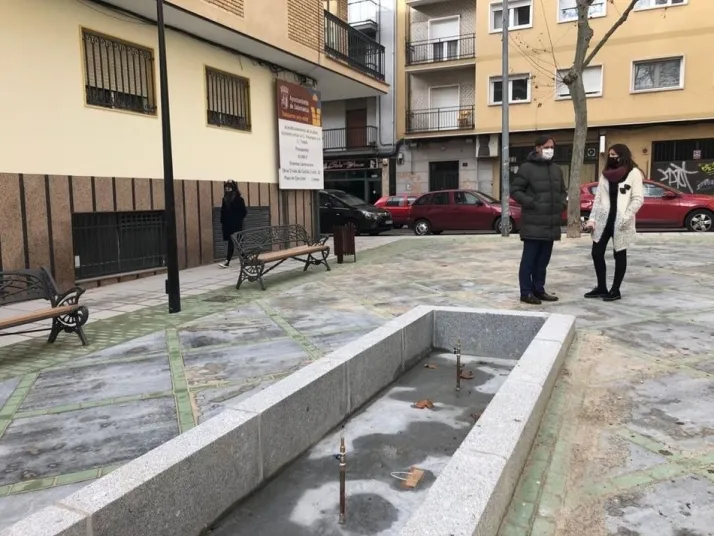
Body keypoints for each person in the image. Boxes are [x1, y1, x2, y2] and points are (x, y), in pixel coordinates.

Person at [511, 135, 568, 305]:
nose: (550, 150)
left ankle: (539, 289)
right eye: (546, 147)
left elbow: (562, 191)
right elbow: (515, 191)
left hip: (550, 223)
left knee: (543, 262)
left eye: (552, 147)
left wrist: (562, 204)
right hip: (533, 223)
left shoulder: (556, 169)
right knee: (529, 261)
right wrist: (532, 203)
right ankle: (526, 292)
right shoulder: (527, 168)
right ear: (537, 148)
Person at [583, 144, 644, 301]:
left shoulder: (634, 173)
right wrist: (592, 219)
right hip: (603, 221)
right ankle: (601, 287)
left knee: (619, 254)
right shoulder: (605, 174)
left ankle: (615, 290)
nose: (612, 157)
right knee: (596, 253)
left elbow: (638, 199)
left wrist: (626, 217)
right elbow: (598, 199)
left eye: (615, 154)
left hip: (621, 221)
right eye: (610, 154)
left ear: (623, 155)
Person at [219, 180, 247, 268]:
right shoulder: (224, 199)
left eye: (229, 187)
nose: (227, 189)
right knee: (236, 242)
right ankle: (244, 258)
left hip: (237, 224)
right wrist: (223, 221)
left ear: (233, 188)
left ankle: (228, 261)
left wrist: (238, 220)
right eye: (226, 187)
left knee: (235, 242)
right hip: (228, 225)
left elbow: (244, 212)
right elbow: (223, 211)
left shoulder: (239, 199)